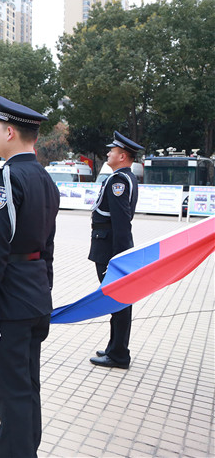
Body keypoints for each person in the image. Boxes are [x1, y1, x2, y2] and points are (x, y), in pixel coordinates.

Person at [0, 95, 59, 458]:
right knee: (27, 387)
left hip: (8, 304)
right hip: (34, 296)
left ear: (9, 131)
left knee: (11, 395)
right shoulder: (43, 177)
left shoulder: (6, 177)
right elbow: (48, 245)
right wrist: (44, 290)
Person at [88, 131, 143, 370]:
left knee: (119, 302)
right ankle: (114, 348)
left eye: (112, 150)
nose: (108, 153)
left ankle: (119, 354)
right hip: (110, 246)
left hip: (111, 249)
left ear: (122, 156)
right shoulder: (124, 177)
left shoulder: (118, 180)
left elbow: (122, 222)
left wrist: (119, 258)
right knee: (116, 301)